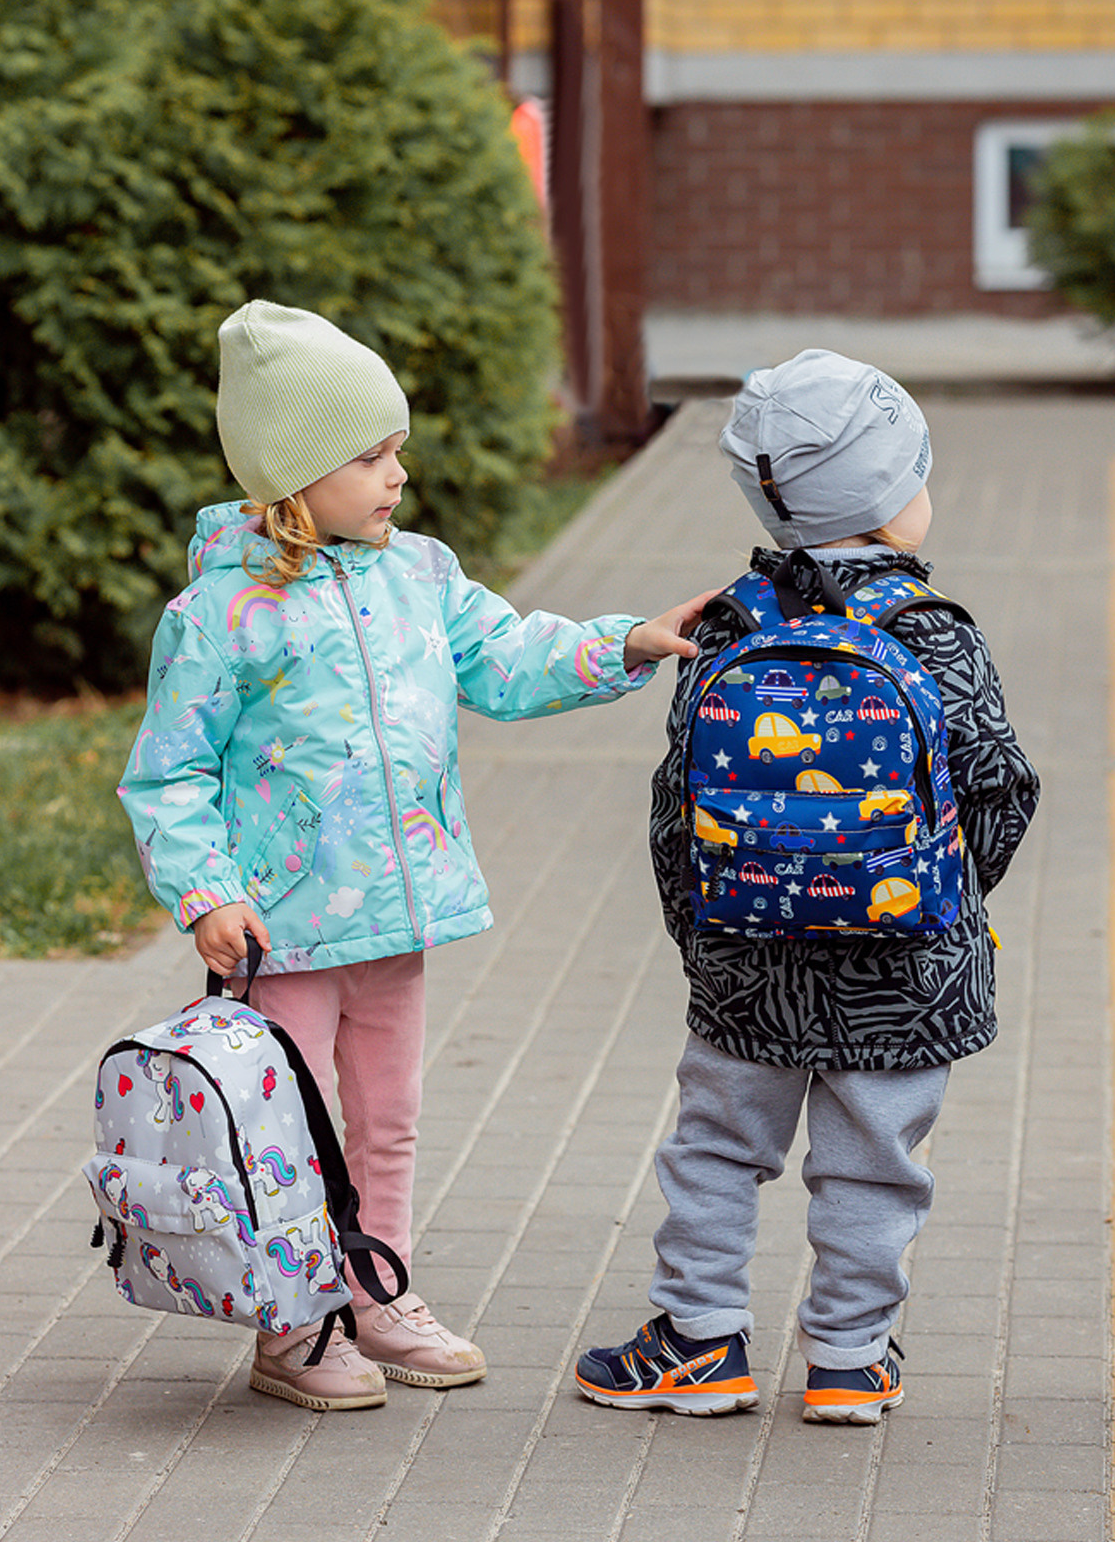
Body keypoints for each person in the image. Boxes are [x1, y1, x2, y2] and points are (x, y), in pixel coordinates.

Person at [119, 299, 712, 1412]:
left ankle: (374, 1287)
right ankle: (294, 1328)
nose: (399, 472)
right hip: (280, 931)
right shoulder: (221, 614)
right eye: (371, 454)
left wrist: (622, 642)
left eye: (399, 449)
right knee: (285, 1135)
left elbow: (507, 654)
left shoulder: (421, 577)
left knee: (387, 1116)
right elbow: (169, 773)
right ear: (293, 475)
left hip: (400, 914)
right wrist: (205, 892)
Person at [574, 349, 1040, 1424]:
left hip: (748, 963)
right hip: (905, 969)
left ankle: (698, 1345)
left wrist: (705, 937)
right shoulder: (934, 633)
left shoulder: (728, 628)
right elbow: (999, 790)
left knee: (715, 1152)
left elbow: (673, 807)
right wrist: (948, 906)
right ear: (888, 498)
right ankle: (847, 1359)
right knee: (876, 1166)